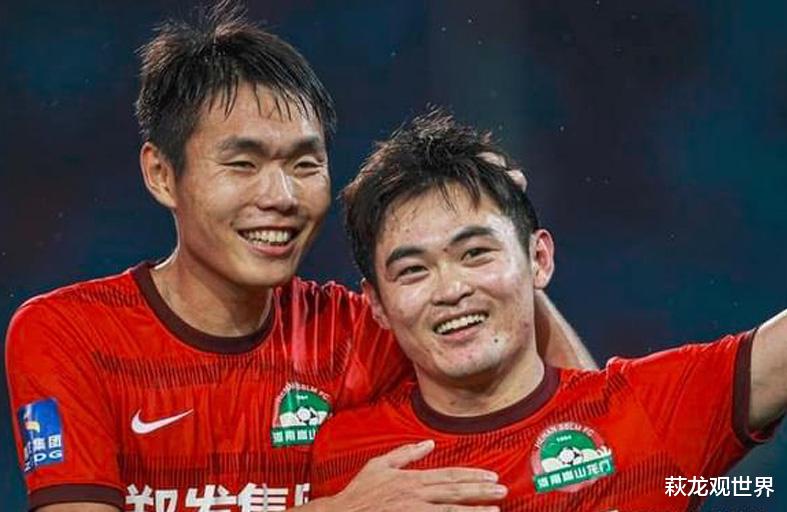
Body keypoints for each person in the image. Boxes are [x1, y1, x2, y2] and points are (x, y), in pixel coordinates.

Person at [5, 4, 592, 512]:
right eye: (243, 164)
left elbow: (588, 431)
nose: (281, 196)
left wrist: (501, 237)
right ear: (162, 174)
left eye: (305, 164)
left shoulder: (362, 333)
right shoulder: (67, 334)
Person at [309, 109, 786, 511]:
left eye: (476, 253)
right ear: (377, 304)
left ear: (539, 259)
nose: (450, 289)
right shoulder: (344, 455)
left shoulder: (647, 413)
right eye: (413, 270)